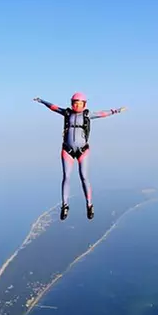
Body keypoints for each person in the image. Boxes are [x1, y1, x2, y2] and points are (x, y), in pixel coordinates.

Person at [33, 92, 127, 220]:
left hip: (83, 150)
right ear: (72, 103)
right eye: (75, 103)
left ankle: (89, 205)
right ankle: (65, 206)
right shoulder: (67, 113)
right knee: (66, 177)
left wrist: (116, 111)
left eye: (79, 103)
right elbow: (54, 107)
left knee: (84, 177)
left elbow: (102, 114)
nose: (77, 105)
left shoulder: (87, 115)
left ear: (84, 104)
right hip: (68, 149)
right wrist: (42, 101)